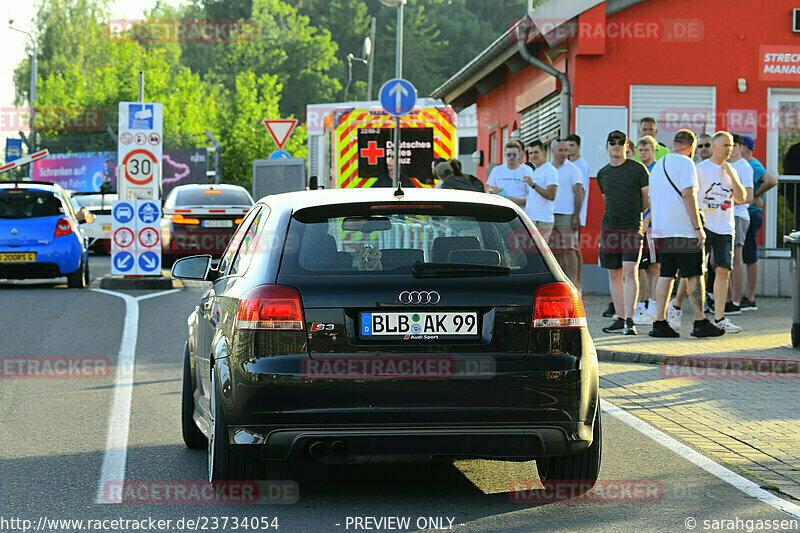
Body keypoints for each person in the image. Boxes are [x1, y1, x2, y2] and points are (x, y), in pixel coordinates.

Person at [648, 129, 723, 338]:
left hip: (662, 230)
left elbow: (652, 200)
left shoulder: (657, 167)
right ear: (691, 146)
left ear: (674, 143)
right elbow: (688, 194)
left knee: (666, 276)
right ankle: (700, 322)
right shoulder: (686, 163)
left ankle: (659, 322)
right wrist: (698, 228)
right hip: (684, 231)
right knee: (694, 276)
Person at [596, 130, 649, 335]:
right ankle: (619, 317)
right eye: (612, 142)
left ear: (627, 146)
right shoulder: (603, 173)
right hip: (609, 227)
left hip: (632, 227)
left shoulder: (638, 169)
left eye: (621, 142)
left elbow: (646, 200)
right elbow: (607, 198)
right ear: (607, 146)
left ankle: (629, 319)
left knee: (629, 270)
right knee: (614, 272)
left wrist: (638, 218)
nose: (616, 145)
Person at [695, 132, 746, 332]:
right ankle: (679, 307)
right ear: (715, 147)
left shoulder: (732, 169)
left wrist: (731, 175)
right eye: (725, 145)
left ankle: (720, 317)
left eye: (731, 145)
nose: (729, 148)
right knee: (698, 271)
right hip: (705, 226)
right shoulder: (701, 169)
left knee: (724, 270)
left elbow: (742, 199)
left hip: (725, 227)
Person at [740, 135, 778, 310]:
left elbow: (772, 180)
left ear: (745, 148)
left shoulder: (752, 165)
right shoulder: (747, 164)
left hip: (752, 215)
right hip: (747, 215)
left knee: (749, 256)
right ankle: (743, 296)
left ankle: (750, 297)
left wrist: (755, 195)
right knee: (744, 255)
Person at [633, 135, 661, 325]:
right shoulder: (636, 169)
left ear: (654, 150)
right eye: (640, 150)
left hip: (653, 226)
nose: (643, 153)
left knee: (654, 266)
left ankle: (654, 304)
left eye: (647, 149)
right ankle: (641, 304)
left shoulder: (657, 169)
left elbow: (655, 200)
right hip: (637, 224)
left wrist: (647, 220)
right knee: (639, 267)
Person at [550, 138, 585, 285]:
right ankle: (561, 282)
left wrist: (577, 215)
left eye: (566, 150)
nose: (564, 153)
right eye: (561, 150)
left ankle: (575, 284)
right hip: (550, 214)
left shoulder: (573, 169)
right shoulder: (548, 168)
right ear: (553, 151)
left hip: (568, 215)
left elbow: (579, 193)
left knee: (570, 249)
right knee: (555, 251)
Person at [729, 134, 754, 313]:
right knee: (718, 261)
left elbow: (749, 198)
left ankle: (736, 301)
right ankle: (727, 297)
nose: (729, 149)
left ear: (739, 146)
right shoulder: (725, 164)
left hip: (738, 215)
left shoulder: (743, 166)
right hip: (723, 216)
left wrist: (725, 200)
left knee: (736, 258)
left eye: (732, 145)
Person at [522, 140, 559, 244]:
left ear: (543, 152)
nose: (533, 155)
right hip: (532, 218)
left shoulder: (550, 170)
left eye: (536, 152)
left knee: (540, 253)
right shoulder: (535, 170)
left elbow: (551, 195)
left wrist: (533, 185)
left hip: (542, 220)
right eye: (530, 153)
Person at [566, 134, 591, 290]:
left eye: (572, 145)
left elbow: (580, 191)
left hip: (576, 213)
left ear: (579, 146)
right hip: (566, 213)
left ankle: (578, 285)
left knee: (574, 249)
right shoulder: (567, 164)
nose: (569, 149)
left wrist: (578, 215)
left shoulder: (581, 165)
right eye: (567, 146)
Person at [487, 139, 533, 207]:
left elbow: (533, 199)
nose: (511, 157)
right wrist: (492, 191)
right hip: (501, 211)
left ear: (519, 154)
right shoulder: (496, 170)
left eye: (514, 154)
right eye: (509, 154)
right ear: (504, 154)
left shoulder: (527, 170)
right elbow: (489, 190)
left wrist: (510, 200)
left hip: (520, 213)